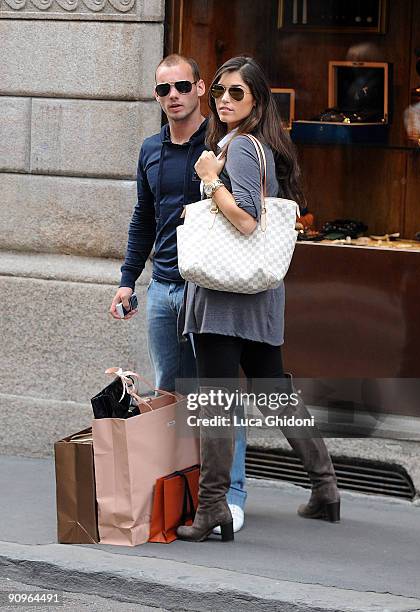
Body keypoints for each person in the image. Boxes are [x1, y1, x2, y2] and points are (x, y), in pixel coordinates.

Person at [177, 56, 340, 543]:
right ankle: (326, 488)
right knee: (274, 393)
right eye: (219, 93)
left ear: (257, 100)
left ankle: (211, 507)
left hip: (226, 296)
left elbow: (246, 218)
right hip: (256, 294)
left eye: (236, 94)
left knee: (216, 402)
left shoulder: (241, 148)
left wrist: (210, 180)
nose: (224, 101)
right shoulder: (262, 146)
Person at [109, 54, 247, 531]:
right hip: (163, 287)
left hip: (208, 289)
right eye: (164, 90)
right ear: (156, 96)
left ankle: (231, 495)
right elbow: (142, 218)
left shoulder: (223, 145)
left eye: (183, 87)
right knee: (170, 390)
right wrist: (128, 279)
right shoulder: (150, 149)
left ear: (201, 89)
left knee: (216, 393)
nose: (174, 97)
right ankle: (183, 486)